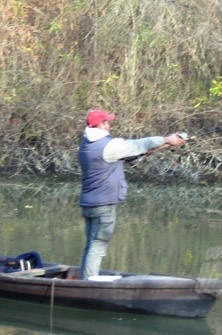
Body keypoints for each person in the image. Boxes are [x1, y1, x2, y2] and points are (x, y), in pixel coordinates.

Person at [78, 109, 186, 279]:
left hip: (89, 203)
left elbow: (118, 156)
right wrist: (166, 140)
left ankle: (86, 277)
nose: (109, 124)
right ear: (100, 124)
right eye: (106, 122)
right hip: (103, 205)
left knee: (92, 244)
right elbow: (137, 144)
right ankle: (88, 282)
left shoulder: (86, 144)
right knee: (98, 244)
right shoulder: (108, 144)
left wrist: (145, 151)